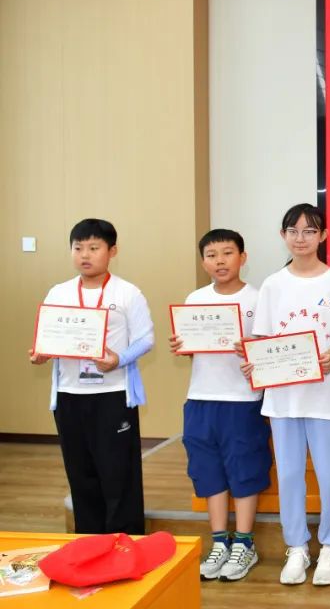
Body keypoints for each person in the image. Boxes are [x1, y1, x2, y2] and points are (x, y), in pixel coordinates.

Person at [248, 203, 330, 585]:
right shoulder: (273, 285)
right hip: (282, 399)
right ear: (283, 236)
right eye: (293, 231)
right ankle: (296, 547)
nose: (301, 238)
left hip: (325, 397)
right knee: (290, 475)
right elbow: (262, 339)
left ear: (323, 236)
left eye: (310, 231)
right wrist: (255, 362)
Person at [29, 218, 154, 537]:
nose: (85, 254)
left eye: (94, 247)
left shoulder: (127, 292)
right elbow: (48, 338)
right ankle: (89, 540)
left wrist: (119, 359)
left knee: (119, 473)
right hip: (69, 396)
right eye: (78, 248)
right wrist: (42, 353)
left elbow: (145, 339)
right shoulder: (59, 292)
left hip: (113, 395)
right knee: (80, 473)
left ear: (112, 251)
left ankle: (125, 541)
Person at [171, 228, 270, 581]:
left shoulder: (259, 299)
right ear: (203, 262)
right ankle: (219, 542)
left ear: (243, 257)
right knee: (207, 469)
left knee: (244, 469)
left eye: (227, 253)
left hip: (242, 400)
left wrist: (253, 350)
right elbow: (193, 351)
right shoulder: (195, 298)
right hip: (200, 397)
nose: (220, 261)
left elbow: (269, 352)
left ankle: (244, 542)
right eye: (211, 255)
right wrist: (182, 346)